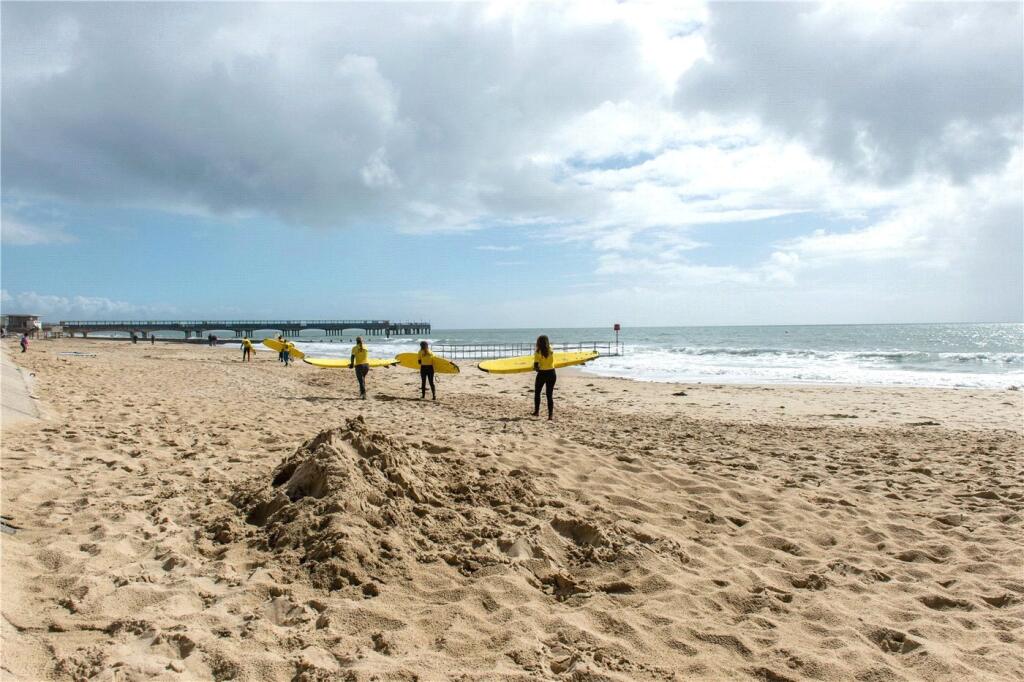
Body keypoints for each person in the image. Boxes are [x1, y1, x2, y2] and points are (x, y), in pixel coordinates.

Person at [532, 334, 556, 420]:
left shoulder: (538, 352)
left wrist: (535, 368)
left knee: (537, 393)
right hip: (552, 373)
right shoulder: (551, 349)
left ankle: (536, 412)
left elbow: (536, 367)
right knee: (549, 395)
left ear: (538, 342)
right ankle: (550, 415)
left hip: (542, 373)